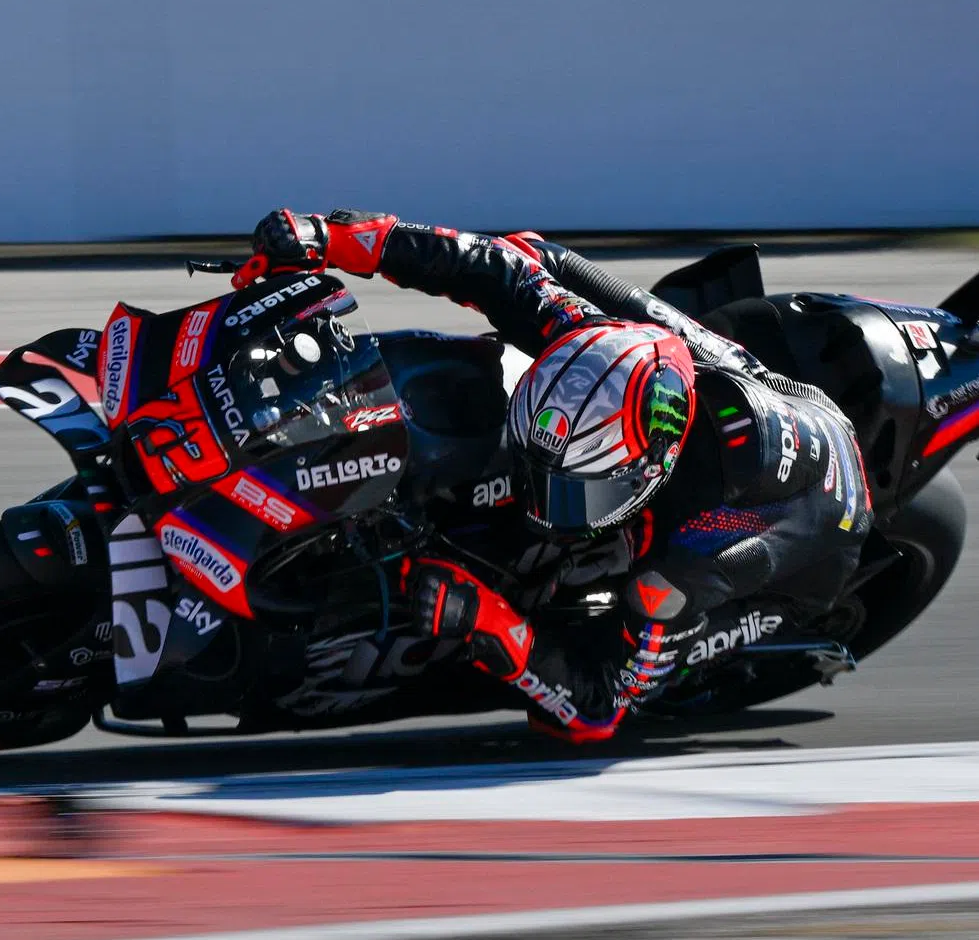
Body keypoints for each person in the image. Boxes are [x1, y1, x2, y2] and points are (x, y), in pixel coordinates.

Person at [235, 209, 874, 743]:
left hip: (802, 537)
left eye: (576, 490)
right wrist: (332, 237)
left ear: (645, 472)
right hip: (745, 389)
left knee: (632, 609)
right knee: (531, 252)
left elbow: (598, 710)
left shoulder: (694, 551)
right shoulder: (592, 342)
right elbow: (485, 264)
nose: (545, 508)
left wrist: (491, 622)